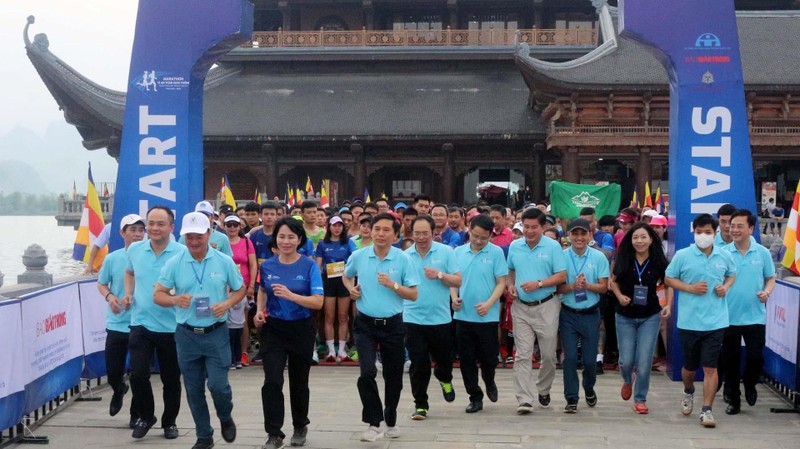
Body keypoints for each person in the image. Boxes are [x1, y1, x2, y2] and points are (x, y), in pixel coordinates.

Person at [153, 212, 246, 449]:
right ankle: (204, 436)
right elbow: (158, 294)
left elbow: (240, 289)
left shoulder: (223, 261)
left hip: (215, 333)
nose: (194, 241)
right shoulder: (174, 263)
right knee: (193, 390)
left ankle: (225, 416)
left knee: (218, 386)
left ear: (209, 234)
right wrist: (175, 300)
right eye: (189, 237)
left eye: (199, 236)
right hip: (186, 335)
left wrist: (226, 303)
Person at [343, 212, 419, 442]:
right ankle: (374, 422)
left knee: (393, 376)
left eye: (386, 230)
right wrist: (351, 289)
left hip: (393, 324)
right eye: (377, 229)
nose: (380, 234)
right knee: (366, 372)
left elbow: (413, 294)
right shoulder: (359, 255)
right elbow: (346, 276)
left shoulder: (404, 259)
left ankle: (391, 416)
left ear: (396, 235)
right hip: (365, 323)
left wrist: (393, 284)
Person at [254, 218, 325, 449]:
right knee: (272, 380)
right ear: (275, 239)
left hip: (301, 329)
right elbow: (263, 290)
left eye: (291, 237)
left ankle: (300, 425)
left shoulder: (309, 266)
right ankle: (274, 433)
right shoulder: (267, 266)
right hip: (273, 329)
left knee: (298, 381)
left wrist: (292, 296)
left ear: (299, 240)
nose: (286, 241)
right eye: (281, 237)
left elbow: (318, 302)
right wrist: (259, 311)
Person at [665, 213, 737, 428]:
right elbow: (669, 278)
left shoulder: (724, 255)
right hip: (689, 321)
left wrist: (725, 287)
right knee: (689, 367)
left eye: (707, 232)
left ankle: (707, 410)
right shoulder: (682, 255)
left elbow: (732, 274)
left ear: (715, 233)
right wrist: (689, 288)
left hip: (716, 322)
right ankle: (688, 391)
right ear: (693, 233)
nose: (703, 236)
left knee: (710, 368)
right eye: (699, 232)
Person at [124, 206, 184, 440]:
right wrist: (129, 293)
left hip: (172, 326)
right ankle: (146, 415)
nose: (154, 228)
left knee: (171, 378)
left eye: (160, 224)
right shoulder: (136, 250)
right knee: (137, 374)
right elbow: (129, 273)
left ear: (171, 227)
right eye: (151, 223)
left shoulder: (181, 252)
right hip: (140, 322)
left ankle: (170, 421)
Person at [506, 207, 567, 414]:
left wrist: (539, 284)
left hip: (547, 305)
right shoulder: (515, 246)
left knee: (548, 355)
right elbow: (511, 270)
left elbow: (561, 276)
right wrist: (511, 285)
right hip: (521, 307)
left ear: (543, 227)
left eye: (534, 227)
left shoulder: (553, 247)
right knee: (522, 355)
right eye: (526, 226)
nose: (529, 231)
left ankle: (543, 388)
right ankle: (524, 399)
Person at [404, 215, 462, 420]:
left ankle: (444, 378)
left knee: (445, 361)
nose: (421, 237)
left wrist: (439, 275)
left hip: (441, 319)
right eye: (417, 233)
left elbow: (457, 279)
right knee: (418, 363)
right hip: (413, 318)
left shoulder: (446, 252)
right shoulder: (405, 256)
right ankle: (421, 404)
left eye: (425, 233)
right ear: (411, 233)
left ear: (433, 233)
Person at [610, 222, 671, 414]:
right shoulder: (624, 259)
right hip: (625, 315)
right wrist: (620, 297)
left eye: (644, 237)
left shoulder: (659, 261)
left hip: (650, 316)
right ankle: (628, 380)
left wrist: (668, 304)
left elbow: (668, 284)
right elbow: (613, 282)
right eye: (636, 237)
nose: (639, 241)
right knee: (626, 361)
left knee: (644, 362)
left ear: (651, 239)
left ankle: (640, 399)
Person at [451, 214, 508, 413]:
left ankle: (489, 380)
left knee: (488, 358)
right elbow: (453, 280)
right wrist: (453, 298)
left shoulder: (496, 253)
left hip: (487, 316)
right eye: (475, 236)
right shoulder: (457, 252)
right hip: (463, 316)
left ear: (490, 235)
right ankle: (475, 396)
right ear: (469, 230)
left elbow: (502, 282)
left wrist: (489, 303)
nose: (478, 241)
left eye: (483, 238)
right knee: (466, 361)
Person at [721, 209, 776, 415]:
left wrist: (767, 292)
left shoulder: (761, 252)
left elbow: (770, 278)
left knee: (755, 357)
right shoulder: (723, 253)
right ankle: (734, 400)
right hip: (728, 316)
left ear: (751, 229)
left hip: (755, 316)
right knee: (731, 361)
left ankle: (750, 383)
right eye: (732, 226)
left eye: (739, 226)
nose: (734, 229)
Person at [556, 219, 609, 413]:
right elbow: (557, 287)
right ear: (568, 235)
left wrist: (587, 286)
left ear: (589, 235)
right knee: (569, 357)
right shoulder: (560, 257)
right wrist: (572, 287)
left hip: (590, 313)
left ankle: (588, 387)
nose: (579, 238)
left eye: (583, 234)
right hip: (568, 313)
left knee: (589, 359)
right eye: (575, 234)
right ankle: (571, 398)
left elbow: (604, 287)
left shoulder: (598, 257)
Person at [96, 214, 145, 428]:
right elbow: (101, 283)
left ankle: (136, 414)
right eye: (132, 230)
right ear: (122, 233)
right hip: (116, 323)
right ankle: (118, 389)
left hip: (141, 324)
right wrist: (110, 297)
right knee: (114, 371)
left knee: (138, 373)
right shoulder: (112, 258)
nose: (136, 234)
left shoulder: (150, 257)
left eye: (140, 230)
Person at [315, 216, 358, 362]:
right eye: (334, 225)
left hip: (344, 282)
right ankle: (331, 351)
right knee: (329, 317)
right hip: (328, 282)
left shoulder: (348, 243)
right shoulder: (322, 244)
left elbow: (355, 257)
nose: (337, 228)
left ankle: (342, 350)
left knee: (343, 317)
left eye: (340, 225)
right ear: (329, 227)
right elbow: (318, 266)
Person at [224, 215, 257, 368]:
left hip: (242, 287)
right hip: (224, 287)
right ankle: (229, 355)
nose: (232, 228)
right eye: (229, 225)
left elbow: (252, 264)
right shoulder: (222, 242)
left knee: (242, 321)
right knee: (226, 322)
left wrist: (251, 285)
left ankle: (242, 353)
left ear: (240, 227)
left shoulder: (246, 242)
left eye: (235, 225)